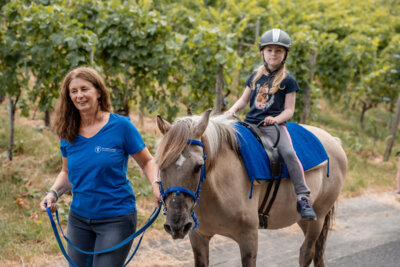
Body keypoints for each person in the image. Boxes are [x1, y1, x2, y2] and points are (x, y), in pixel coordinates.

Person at [39, 66, 161, 266]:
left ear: (98, 91)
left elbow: (147, 161)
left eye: (84, 89)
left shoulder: (121, 126)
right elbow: (67, 172)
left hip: (116, 218)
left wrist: (156, 185)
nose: (79, 95)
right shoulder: (67, 131)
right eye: (74, 91)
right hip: (79, 219)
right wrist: (53, 193)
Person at [225, 28, 316, 220]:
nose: (273, 54)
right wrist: (231, 112)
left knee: (289, 153)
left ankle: (302, 196)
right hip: (250, 124)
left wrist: (276, 119)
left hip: (272, 126)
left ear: (285, 54)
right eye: (269, 50)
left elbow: (289, 110)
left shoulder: (288, 81)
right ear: (262, 53)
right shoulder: (255, 77)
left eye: (278, 51)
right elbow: (243, 101)